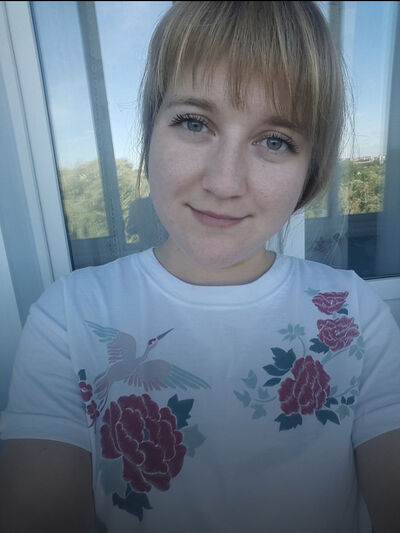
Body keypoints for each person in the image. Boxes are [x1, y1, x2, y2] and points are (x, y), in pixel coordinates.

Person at [1, 2, 400, 532]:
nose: (224, 182)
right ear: (150, 131)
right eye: (195, 123)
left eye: (275, 141)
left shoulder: (354, 316)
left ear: (311, 169)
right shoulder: (70, 318)